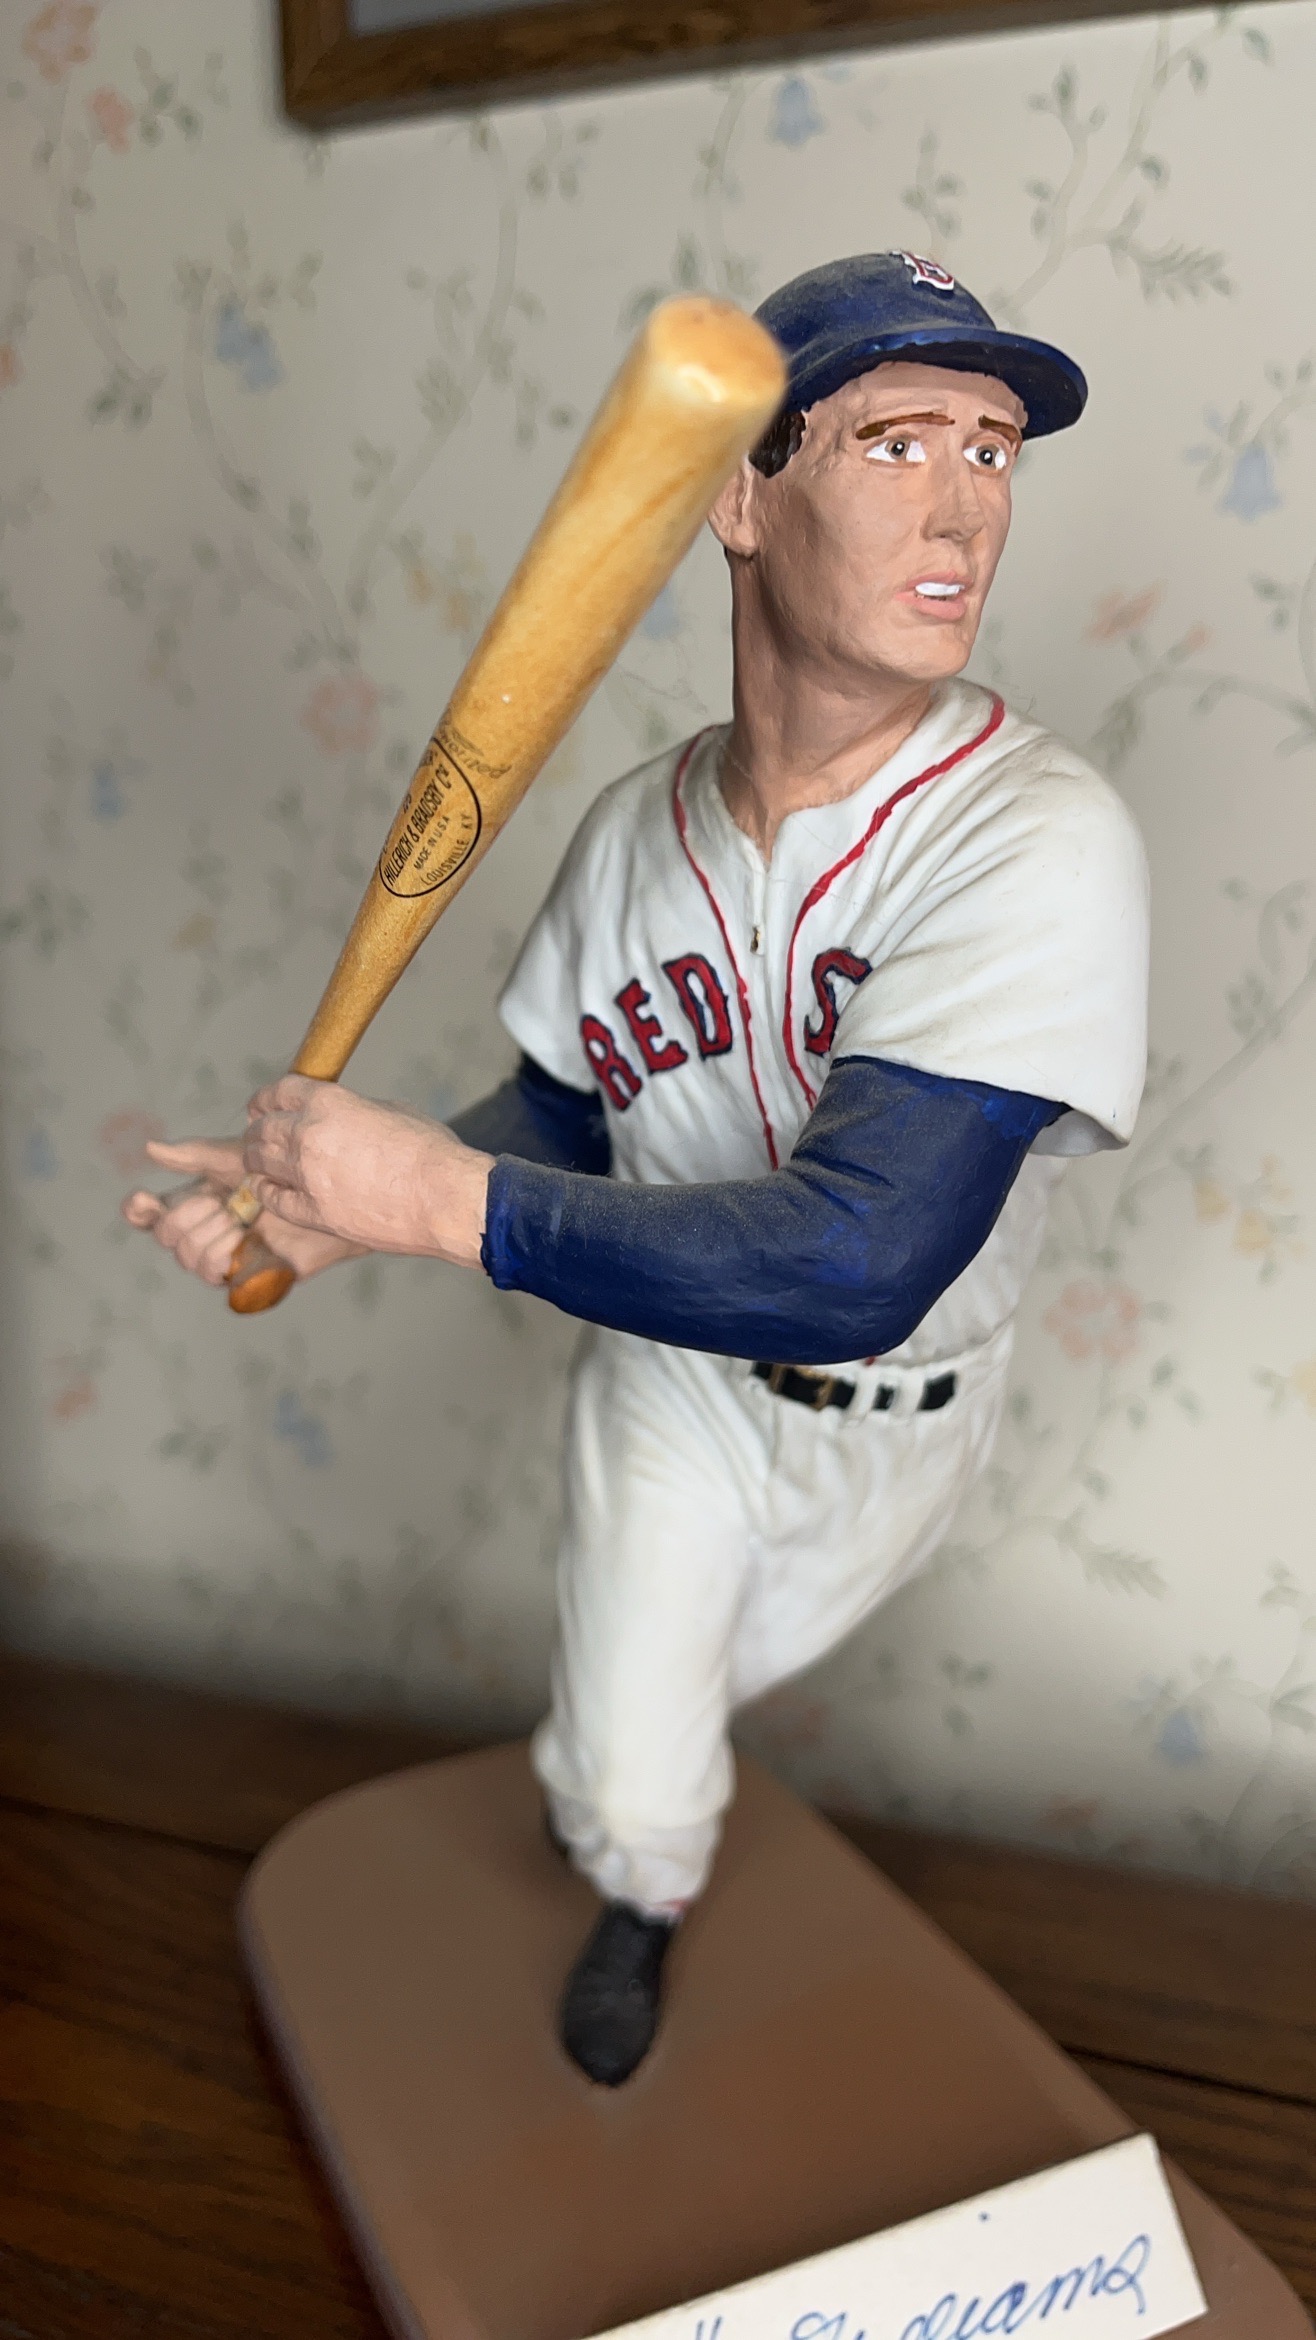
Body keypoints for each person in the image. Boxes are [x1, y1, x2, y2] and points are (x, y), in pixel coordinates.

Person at [124, 252, 1149, 2090]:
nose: (963, 511)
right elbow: (568, 1114)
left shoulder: (1038, 839)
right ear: (741, 500)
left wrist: (433, 1204)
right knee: (624, 1763)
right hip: (674, 1387)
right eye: (896, 442)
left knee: (679, 1699)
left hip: (907, 1414)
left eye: (992, 451)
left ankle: (643, 1812)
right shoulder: (629, 835)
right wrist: (344, 1213)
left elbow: (857, 1260)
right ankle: (642, 1892)